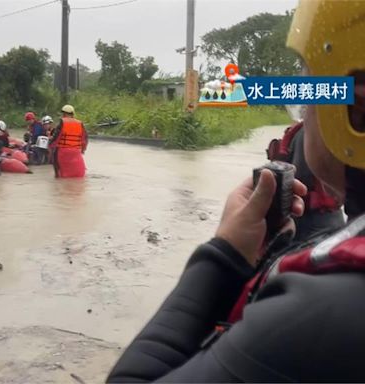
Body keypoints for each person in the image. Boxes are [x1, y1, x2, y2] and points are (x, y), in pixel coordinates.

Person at [107, 1, 365, 382]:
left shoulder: (317, 314)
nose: (304, 113)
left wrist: (224, 253)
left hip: (313, 219)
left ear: (355, 114)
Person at [266, 117, 345, 241]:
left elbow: (300, 176)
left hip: (312, 219)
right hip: (327, 216)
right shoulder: (327, 130)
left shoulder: (303, 132)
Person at [49, 105, 88, 178]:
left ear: (63, 114)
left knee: (59, 173)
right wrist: (83, 150)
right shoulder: (80, 123)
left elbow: (56, 137)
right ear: (73, 113)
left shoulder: (62, 122)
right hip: (76, 152)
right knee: (78, 175)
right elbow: (84, 138)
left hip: (62, 151)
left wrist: (50, 146)